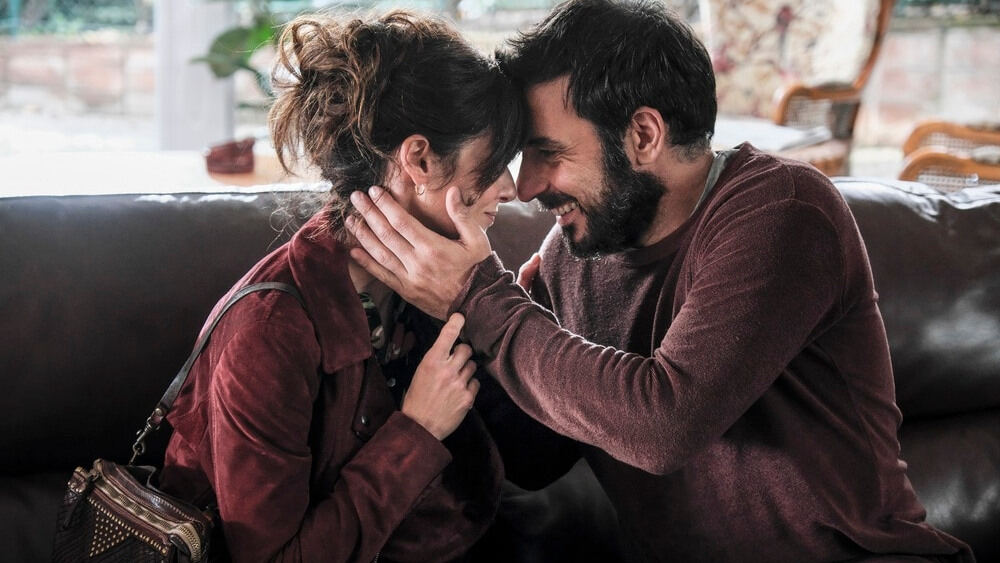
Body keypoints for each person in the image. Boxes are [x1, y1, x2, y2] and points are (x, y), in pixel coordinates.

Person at [345, 0, 976, 561]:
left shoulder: (783, 211)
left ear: (643, 135)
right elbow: (537, 456)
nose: (528, 188)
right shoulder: (573, 253)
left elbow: (665, 427)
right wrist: (431, 309)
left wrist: (480, 298)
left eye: (549, 153)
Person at [156, 10, 524, 562]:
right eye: (494, 163)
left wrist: (502, 309)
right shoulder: (269, 332)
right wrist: (418, 429)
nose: (511, 188)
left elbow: (531, 461)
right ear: (420, 159)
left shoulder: (438, 279)